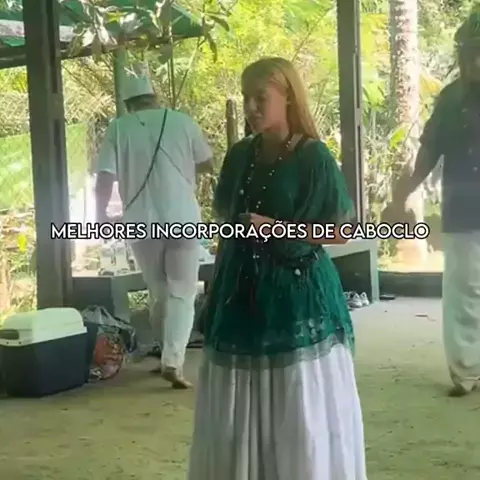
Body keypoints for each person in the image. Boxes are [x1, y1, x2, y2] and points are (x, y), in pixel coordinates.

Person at [188, 57, 367, 479]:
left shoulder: (314, 157)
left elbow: (341, 232)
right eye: (245, 97)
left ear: (287, 97)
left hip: (297, 297)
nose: (250, 107)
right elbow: (226, 228)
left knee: (296, 403)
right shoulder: (239, 156)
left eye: (260, 97)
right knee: (236, 405)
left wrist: (276, 228)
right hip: (240, 292)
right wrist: (215, 288)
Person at [94, 62, 213, 389]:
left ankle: (165, 354)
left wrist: (100, 215)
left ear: (128, 104)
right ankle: (172, 360)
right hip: (182, 218)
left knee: (158, 289)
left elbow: (104, 178)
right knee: (182, 291)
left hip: (141, 222)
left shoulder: (119, 128)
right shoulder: (182, 121)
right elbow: (207, 162)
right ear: (155, 97)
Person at [393, 9, 480, 397]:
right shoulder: (449, 100)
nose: (474, 62)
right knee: (464, 291)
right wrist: (403, 192)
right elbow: (429, 151)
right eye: (469, 54)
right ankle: (466, 370)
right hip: (462, 209)